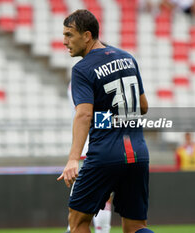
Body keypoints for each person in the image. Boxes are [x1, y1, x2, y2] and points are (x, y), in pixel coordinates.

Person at [57, 9, 154, 233]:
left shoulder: (82, 69)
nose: (64, 41)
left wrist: (73, 159)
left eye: (69, 35)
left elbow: (84, 114)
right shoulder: (128, 58)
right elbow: (144, 107)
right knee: (136, 226)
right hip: (138, 152)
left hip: (105, 154)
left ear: (87, 35)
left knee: (78, 221)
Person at [65, 83, 112, 233]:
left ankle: (71, 228)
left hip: (85, 146)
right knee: (103, 197)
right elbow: (94, 113)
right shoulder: (93, 77)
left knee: (80, 203)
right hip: (96, 145)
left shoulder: (79, 78)